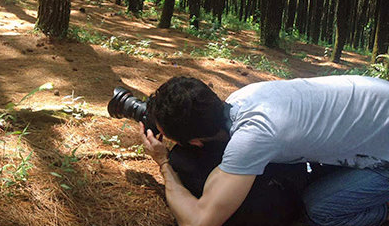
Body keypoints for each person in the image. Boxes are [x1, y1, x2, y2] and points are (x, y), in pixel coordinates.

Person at [140, 75, 389, 226]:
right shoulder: (243, 97)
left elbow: (199, 221)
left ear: (194, 142)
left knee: (319, 210)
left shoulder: (254, 137)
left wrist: (163, 163)